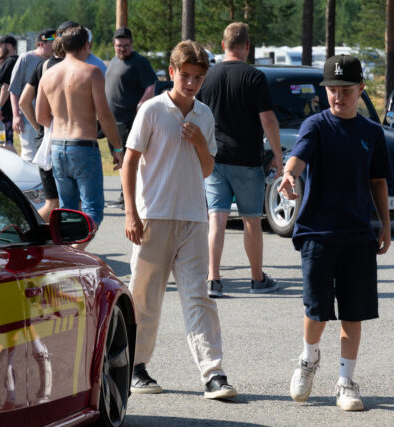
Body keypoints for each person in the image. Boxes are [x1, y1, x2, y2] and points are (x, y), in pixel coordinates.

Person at [122, 39, 237, 400]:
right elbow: (129, 161)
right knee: (144, 297)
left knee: (199, 297)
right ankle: (135, 368)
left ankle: (214, 374)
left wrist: (201, 143)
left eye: (198, 78)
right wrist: (131, 213)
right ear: (171, 72)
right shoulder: (152, 110)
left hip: (193, 219)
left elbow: (207, 169)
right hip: (153, 217)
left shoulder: (204, 115)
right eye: (185, 75)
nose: (190, 83)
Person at [279, 54, 392, 411]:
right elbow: (298, 157)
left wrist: (385, 223)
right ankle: (309, 358)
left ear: (360, 89)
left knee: (353, 313)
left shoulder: (372, 132)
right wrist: (289, 175)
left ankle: (346, 381)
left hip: (358, 235)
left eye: (346, 90)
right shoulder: (315, 125)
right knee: (317, 310)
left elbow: (378, 181)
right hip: (318, 232)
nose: (338, 96)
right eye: (332, 90)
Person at [197, 22, 282, 297]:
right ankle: (257, 279)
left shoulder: (208, 77)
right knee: (251, 220)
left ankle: (213, 278)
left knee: (216, 218)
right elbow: (268, 120)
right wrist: (278, 155)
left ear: (223, 45)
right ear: (247, 46)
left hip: (215, 158)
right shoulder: (254, 77)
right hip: (247, 160)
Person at [35, 25, 123, 250]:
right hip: (83, 145)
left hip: (57, 146)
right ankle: (76, 252)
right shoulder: (91, 72)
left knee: (68, 210)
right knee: (93, 211)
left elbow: (41, 116)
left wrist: (61, 123)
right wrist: (117, 148)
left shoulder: (48, 74)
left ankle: (69, 251)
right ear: (86, 45)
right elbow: (104, 115)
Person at [105, 27, 157, 210]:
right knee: (119, 159)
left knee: (129, 160)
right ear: (114, 44)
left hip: (129, 120)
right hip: (113, 121)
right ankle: (125, 195)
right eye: (119, 46)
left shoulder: (139, 62)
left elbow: (151, 85)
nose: (122, 49)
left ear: (131, 44)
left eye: (126, 45)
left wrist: (142, 103)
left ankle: (128, 198)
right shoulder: (113, 61)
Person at [20, 34, 66, 222]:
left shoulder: (42, 66)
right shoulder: (73, 68)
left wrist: (40, 127)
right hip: (66, 141)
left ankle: (28, 231)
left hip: (45, 141)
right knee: (73, 204)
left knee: (52, 203)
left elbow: (24, 102)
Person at [10, 29, 55, 161]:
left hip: (48, 120)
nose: (55, 46)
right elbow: (14, 90)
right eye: (52, 43)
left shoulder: (54, 61)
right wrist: (16, 115)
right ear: (42, 43)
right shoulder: (26, 58)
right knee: (30, 157)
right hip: (28, 120)